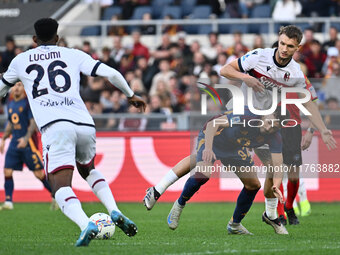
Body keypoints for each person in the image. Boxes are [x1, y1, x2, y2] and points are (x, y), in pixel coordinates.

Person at [0, 18, 146, 247]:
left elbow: (2, 87)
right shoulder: (73, 54)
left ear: (34, 40)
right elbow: (112, 73)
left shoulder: (21, 60)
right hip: (84, 123)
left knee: (60, 186)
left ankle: (84, 223)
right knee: (88, 169)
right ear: (57, 38)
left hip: (55, 127)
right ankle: (114, 210)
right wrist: (130, 95)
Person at [219, 25, 336, 231]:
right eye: (282, 43)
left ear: (297, 48)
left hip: (282, 124)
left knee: (284, 172)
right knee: (271, 169)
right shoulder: (258, 57)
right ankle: (275, 214)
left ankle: (278, 211)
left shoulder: (296, 73)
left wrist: (321, 130)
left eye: (289, 46)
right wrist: (246, 77)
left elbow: (309, 103)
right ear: (278, 41)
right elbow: (225, 70)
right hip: (256, 121)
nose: (284, 49)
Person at [166, 107, 287, 235]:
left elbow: (278, 165)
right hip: (217, 139)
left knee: (253, 185)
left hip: (234, 148)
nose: (269, 129)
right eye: (269, 123)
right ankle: (179, 205)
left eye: (274, 127)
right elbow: (214, 123)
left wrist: (276, 185)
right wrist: (208, 148)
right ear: (266, 114)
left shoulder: (275, 136)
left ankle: (235, 225)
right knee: (203, 175)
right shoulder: (248, 117)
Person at [0, 82, 55, 211]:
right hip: (14, 143)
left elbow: (33, 123)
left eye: (20, 85)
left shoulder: (27, 102)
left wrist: (25, 139)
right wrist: (3, 138)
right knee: (7, 170)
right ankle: (8, 201)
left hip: (28, 143)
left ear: (24, 88)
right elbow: (10, 123)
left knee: (38, 174)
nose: (16, 88)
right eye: (15, 85)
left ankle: (56, 195)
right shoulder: (10, 102)